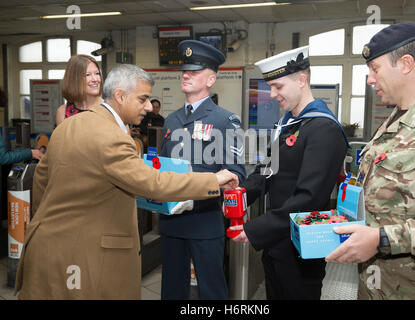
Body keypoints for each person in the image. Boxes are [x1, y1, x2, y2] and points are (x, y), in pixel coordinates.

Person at [13, 64, 239, 300]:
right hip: (85, 261)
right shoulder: (112, 137)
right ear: (120, 96)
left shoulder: (68, 125)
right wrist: (214, 179)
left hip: (45, 248)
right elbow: (153, 183)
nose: (149, 107)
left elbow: (41, 179)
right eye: (143, 99)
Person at [325, 22, 415, 300]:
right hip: (375, 284)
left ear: (405, 64)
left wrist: (381, 239)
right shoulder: (395, 120)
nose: (370, 79)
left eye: (375, 69)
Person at [230, 46, 348, 299]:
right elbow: (266, 170)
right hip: (276, 243)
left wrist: (255, 229)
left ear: (301, 80)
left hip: (300, 248)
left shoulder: (323, 129)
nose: (272, 94)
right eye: (270, 87)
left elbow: (310, 197)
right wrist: (239, 196)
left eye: (278, 86)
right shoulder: (289, 125)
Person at [159, 40, 246, 300]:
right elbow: (161, 167)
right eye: (184, 70)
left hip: (205, 222)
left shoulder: (225, 120)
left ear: (210, 79)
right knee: (172, 290)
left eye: (194, 71)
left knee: (212, 290)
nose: (186, 75)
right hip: (171, 220)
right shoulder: (171, 120)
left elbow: (235, 173)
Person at [55, 54, 103, 126]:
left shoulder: (112, 109)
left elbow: (124, 137)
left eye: (97, 73)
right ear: (74, 79)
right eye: (87, 75)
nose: (95, 79)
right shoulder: (62, 112)